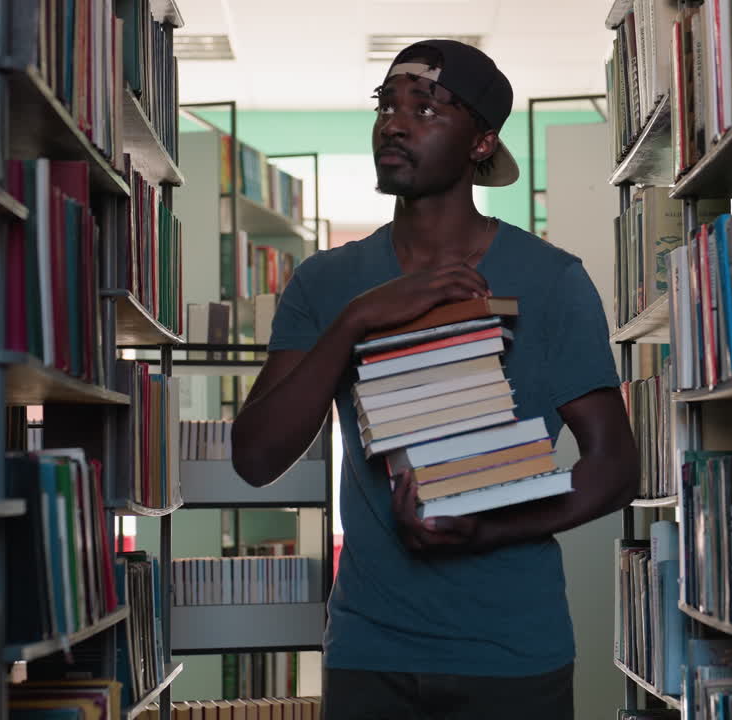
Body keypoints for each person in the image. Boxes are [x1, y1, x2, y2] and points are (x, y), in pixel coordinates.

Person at [231, 39, 640, 719]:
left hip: (514, 649)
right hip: (370, 649)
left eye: (425, 107)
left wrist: (485, 531)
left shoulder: (553, 281)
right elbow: (255, 459)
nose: (394, 122)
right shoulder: (326, 284)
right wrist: (356, 321)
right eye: (387, 105)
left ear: (481, 143)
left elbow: (615, 467)